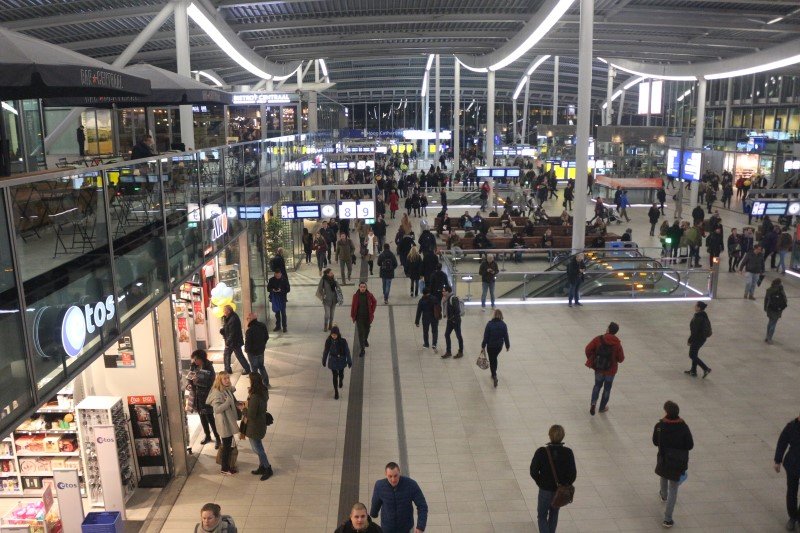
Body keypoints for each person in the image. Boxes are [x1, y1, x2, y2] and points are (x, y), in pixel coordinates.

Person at [653, 401, 694, 529]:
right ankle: (667, 519)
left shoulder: (659, 426)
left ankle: (663, 495)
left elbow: (655, 442)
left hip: (664, 458)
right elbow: (690, 445)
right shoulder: (683, 427)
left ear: (666, 412)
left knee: (663, 475)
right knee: (674, 489)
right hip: (678, 461)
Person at [529, 425, 577, 533]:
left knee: (542, 516)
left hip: (545, 490)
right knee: (554, 514)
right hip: (559, 491)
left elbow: (533, 471)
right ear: (563, 436)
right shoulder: (568, 453)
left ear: (549, 435)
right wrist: (565, 484)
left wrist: (540, 482)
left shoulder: (541, 452)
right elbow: (573, 474)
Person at [370, 462, 428, 533]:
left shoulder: (411, 485)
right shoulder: (379, 486)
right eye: (390, 476)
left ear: (399, 473)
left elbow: (422, 506)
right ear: (385, 474)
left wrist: (420, 526)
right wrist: (373, 513)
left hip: (405, 528)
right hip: (387, 528)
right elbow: (375, 503)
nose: (393, 479)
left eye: (395, 476)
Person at [584, 322, 625, 415]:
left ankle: (593, 403)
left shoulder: (598, 339)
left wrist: (592, 359)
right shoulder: (617, 344)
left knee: (597, 386)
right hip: (610, 371)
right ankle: (602, 407)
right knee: (607, 389)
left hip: (599, 368)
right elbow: (621, 359)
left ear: (608, 329)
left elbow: (588, 349)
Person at [206, 372, 239, 475]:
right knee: (226, 447)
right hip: (224, 424)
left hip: (227, 422)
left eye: (228, 378)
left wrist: (231, 388)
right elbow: (217, 409)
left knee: (227, 446)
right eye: (224, 379)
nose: (227, 380)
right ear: (219, 380)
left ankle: (226, 466)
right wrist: (228, 402)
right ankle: (224, 469)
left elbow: (231, 389)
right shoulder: (217, 393)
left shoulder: (225, 389)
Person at [243, 372, 273, 480]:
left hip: (254, 426)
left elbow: (251, 414)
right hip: (260, 423)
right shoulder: (263, 391)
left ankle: (267, 467)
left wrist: (244, 409)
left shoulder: (255, 396)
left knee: (257, 449)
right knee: (259, 445)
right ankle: (262, 466)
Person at [188, 350, 219, 448]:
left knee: (210, 417)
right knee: (201, 416)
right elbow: (190, 377)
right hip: (197, 396)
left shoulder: (208, 367)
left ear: (202, 359)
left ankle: (218, 438)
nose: (195, 361)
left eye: (197, 359)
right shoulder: (193, 366)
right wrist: (190, 383)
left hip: (206, 396)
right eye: (194, 359)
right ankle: (207, 436)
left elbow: (211, 382)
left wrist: (198, 381)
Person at [774, 412, 800, 531]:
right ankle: (793, 517)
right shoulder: (791, 427)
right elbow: (782, 442)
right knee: (792, 492)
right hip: (793, 465)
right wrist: (777, 460)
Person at [481, 309, 510, 387]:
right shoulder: (503, 325)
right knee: (494, 358)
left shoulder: (489, 324)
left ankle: (494, 375)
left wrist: (483, 345)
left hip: (490, 346)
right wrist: (507, 346)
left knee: (492, 359)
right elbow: (506, 336)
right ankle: (494, 373)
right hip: (499, 346)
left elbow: (486, 337)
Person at [322, 326, 352, 400]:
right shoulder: (328, 341)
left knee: (341, 374)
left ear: (338, 334)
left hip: (341, 360)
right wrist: (324, 360)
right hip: (333, 360)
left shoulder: (343, 341)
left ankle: (341, 380)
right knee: (335, 376)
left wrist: (349, 361)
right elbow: (326, 351)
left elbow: (347, 352)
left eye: (335, 335)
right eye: (332, 334)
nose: (334, 336)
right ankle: (336, 391)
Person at [220, 306, 252, 375]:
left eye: (224, 310)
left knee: (238, 355)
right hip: (233, 341)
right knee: (227, 354)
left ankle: (247, 369)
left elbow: (232, 333)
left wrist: (227, 342)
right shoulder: (229, 317)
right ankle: (228, 369)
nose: (223, 312)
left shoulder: (233, 319)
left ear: (228, 311)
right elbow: (227, 328)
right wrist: (223, 330)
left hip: (234, 342)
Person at [684, 301, 712, 378]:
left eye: (696, 306)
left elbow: (694, 331)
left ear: (699, 308)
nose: (694, 306)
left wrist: (690, 340)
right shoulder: (703, 315)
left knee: (692, 355)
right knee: (694, 354)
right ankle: (693, 371)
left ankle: (706, 368)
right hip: (702, 338)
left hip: (698, 339)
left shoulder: (698, 317)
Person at [350, 282, 377, 357]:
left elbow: (374, 302)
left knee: (367, 330)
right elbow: (353, 306)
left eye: (364, 287)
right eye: (361, 287)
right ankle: (362, 349)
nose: (362, 288)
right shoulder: (355, 296)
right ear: (359, 287)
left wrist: (372, 310)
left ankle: (365, 340)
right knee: (361, 333)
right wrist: (353, 315)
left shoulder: (369, 295)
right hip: (359, 318)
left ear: (366, 288)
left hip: (367, 317)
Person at [244, 313, 269, 388]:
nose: (247, 320)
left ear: (251, 319)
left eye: (248, 318)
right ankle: (266, 383)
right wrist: (262, 345)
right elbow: (266, 337)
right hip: (261, 351)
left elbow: (248, 343)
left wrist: (247, 350)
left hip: (252, 353)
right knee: (261, 367)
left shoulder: (250, 330)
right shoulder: (262, 325)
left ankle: (255, 386)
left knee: (254, 370)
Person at [440, 288, 464, 359]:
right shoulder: (447, 298)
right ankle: (448, 352)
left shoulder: (453, 298)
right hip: (450, 320)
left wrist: (453, 319)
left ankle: (460, 352)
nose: (442, 292)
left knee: (458, 336)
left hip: (455, 320)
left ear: (448, 292)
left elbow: (457, 310)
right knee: (447, 334)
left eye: (444, 291)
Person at [764, 278, 788, 344]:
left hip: (770, 308)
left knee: (770, 322)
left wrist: (765, 308)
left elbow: (766, 300)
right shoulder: (781, 290)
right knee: (773, 323)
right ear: (779, 283)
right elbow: (785, 300)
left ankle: (767, 336)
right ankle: (769, 338)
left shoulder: (769, 290)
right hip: (777, 309)